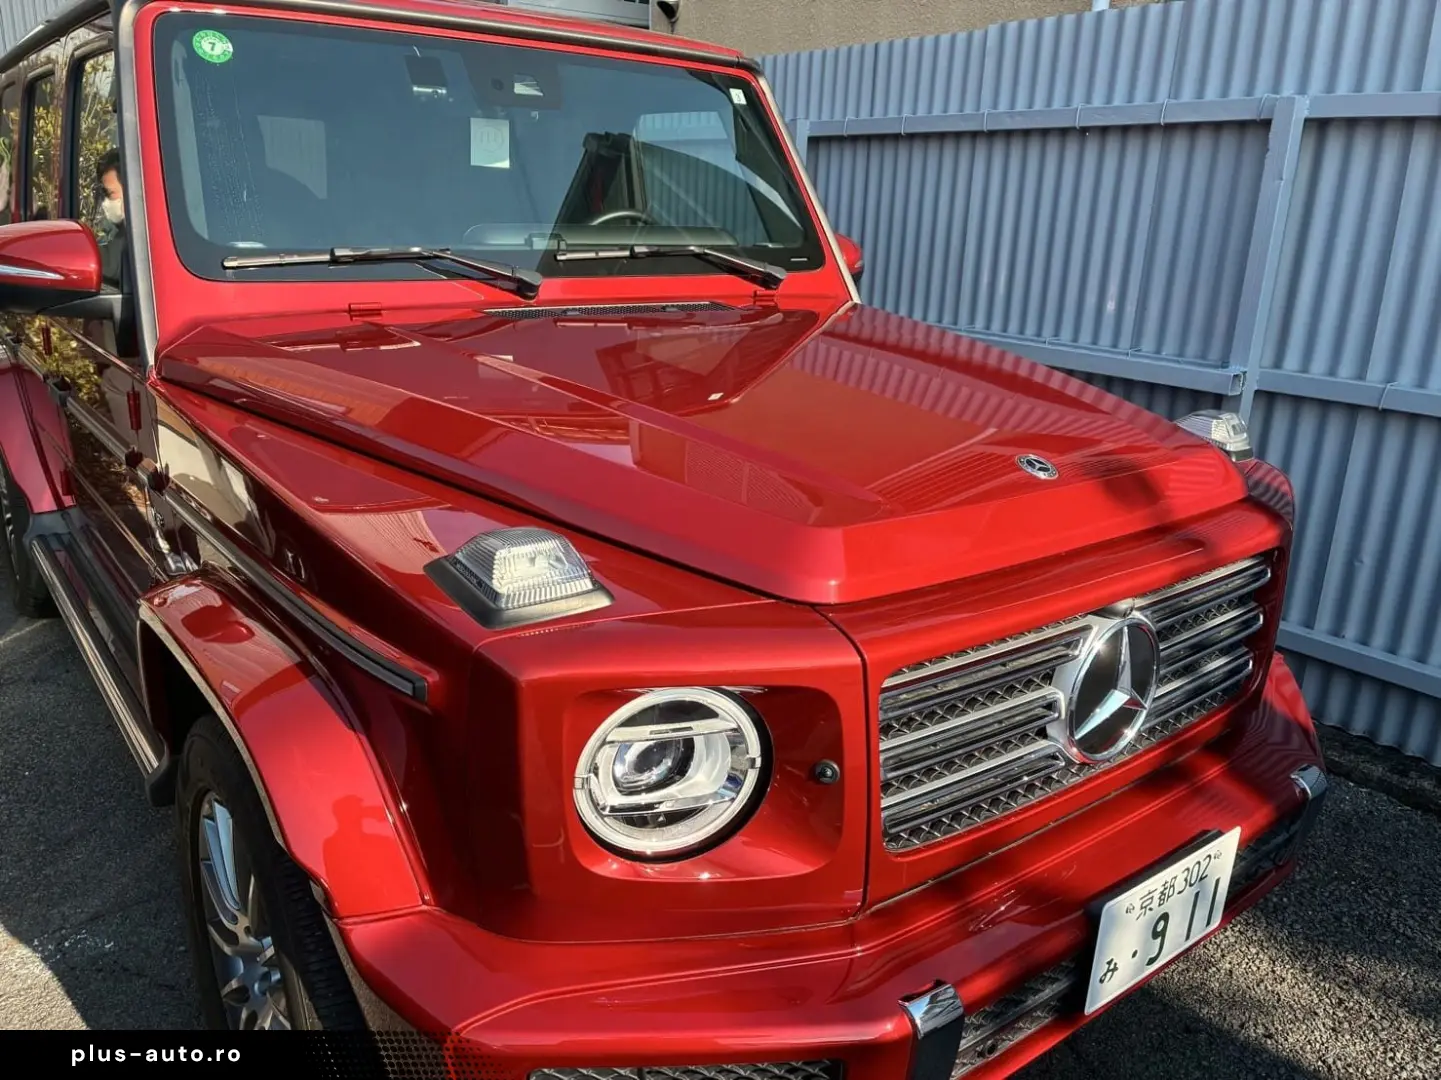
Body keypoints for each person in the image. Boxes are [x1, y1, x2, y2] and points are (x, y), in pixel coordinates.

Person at [95, 148, 127, 288]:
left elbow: (108, 265)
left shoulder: (133, 243)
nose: (105, 202)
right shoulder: (122, 235)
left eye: (110, 193)